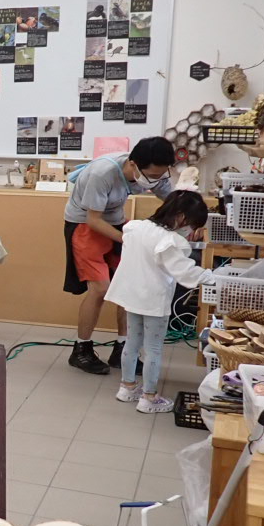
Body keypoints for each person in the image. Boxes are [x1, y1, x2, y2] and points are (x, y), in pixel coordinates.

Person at [62, 136, 175, 375]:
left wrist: (192, 217)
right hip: (85, 224)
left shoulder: (154, 172)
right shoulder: (102, 174)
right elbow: (93, 220)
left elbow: (173, 200)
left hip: (116, 222)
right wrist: (129, 239)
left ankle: (123, 350)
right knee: (100, 289)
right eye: (152, 176)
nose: (156, 181)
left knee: (128, 286)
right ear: (133, 165)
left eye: (161, 175)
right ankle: (81, 351)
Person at [105, 191, 216, 413]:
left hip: (132, 295)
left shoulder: (137, 227)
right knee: (153, 349)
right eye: (192, 226)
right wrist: (213, 278)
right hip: (153, 300)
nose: (190, 232)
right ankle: (149, 398)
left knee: (131, 343)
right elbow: (184, 271)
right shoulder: (169, 241)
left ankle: (127, 387)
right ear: (182, 217)